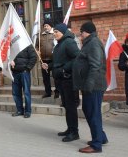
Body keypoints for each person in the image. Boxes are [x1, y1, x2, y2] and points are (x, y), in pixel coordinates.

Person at [73, 21, 108, 153]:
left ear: (87, 31)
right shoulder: (89, 43)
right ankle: (101, 137)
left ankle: (96, 145)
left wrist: (89, 84)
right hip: (91, 85)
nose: (80, 35)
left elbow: (95, 65)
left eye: (81, 32)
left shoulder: (93, 43)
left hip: (94, 86)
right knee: (90, 112)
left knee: (92, 113)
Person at [42, 23, 80, 142]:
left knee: (71, 107)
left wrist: (64, 69)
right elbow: (58, 62)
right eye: (54, 32)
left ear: (63, 32)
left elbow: (77, 58)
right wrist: (49, 65)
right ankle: (69, 129)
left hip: (69, 80)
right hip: (61, 81)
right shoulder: (59, 45)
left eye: (56, 32)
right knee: (66, 106)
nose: (54, 34)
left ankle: (74, 132)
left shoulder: (69, 42)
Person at [10, 45, 37, 118]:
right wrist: (10, 61)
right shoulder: (12, 45)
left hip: (24, 72)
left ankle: (28, 111)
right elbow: (7, 57)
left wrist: (27, 68)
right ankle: (19, 110)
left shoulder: (27, 44)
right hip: (14, 72)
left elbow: (34, 57)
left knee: (26, 92)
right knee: (15, 93)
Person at [38, 22, 59, 99]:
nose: (46, 27)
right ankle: (48, 92)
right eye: (44, 26)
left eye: (47, 26)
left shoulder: (54, 34)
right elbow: (37, 46)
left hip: (53, 59)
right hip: (43, 60)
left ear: (51, 26)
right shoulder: (40, 36)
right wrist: (37, 50)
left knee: (55, 76)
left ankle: (57, 92)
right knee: (45, 78)